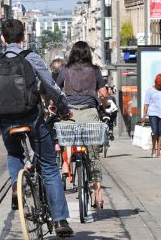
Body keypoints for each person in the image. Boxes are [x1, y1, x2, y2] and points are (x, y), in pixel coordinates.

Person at [0, 19, 74, 237]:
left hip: (6, 121)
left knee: (14, 152)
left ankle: (16, 184)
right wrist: (64, 110)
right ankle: (60, 220)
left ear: (3, 39)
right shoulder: (31, 58)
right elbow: (51, 87)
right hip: (32, 119)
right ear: (23, 37)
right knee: (50, 166)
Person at [56, 41, 109, 210]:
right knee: (93, 154)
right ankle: (98, 194)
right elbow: (103, 93)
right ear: (88, 54)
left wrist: (54, 104)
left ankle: (66, 162)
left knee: (66, 138)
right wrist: (105, 103)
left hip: (69, 113)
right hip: (89, 113)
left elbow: (55, 89)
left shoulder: (65, 70)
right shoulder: (95, 70)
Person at [142, 74, 161, 158]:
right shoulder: (150, 90)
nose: (159, 86)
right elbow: (146, 103)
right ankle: (153, 149)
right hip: (153, 113)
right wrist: (144, 115)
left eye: (160, 84)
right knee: (155, 131)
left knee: (160, 133)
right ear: (155, 83)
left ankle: (158, 152)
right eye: (158, 85)